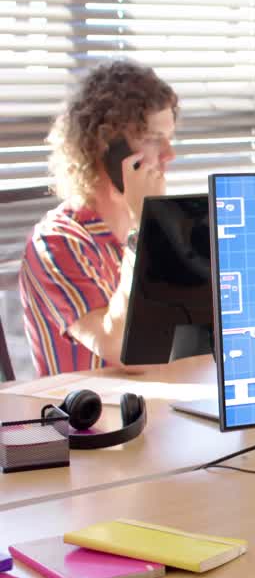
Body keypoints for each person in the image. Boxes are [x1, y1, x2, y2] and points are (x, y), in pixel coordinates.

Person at [18, 60, 177, 376]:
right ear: (107, 147)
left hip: (169, 409)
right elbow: (124, 350)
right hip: (98, 422)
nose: (169, 154)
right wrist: (145, 228)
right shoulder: (57, 241)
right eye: (153, 138)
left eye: (170, 138)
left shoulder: (163, 232)